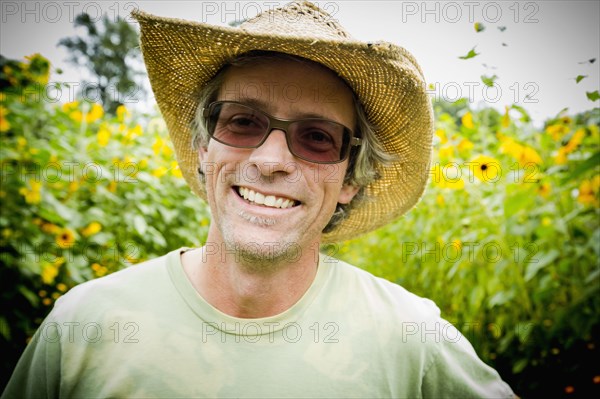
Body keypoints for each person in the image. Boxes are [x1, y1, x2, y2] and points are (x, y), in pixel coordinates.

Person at [3, 1, 516, 397]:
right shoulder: (83, 326)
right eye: (243, 122)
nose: (271, 160)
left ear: (350, 179)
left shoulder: (412, 338)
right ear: (203, 148)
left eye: (317, 137)